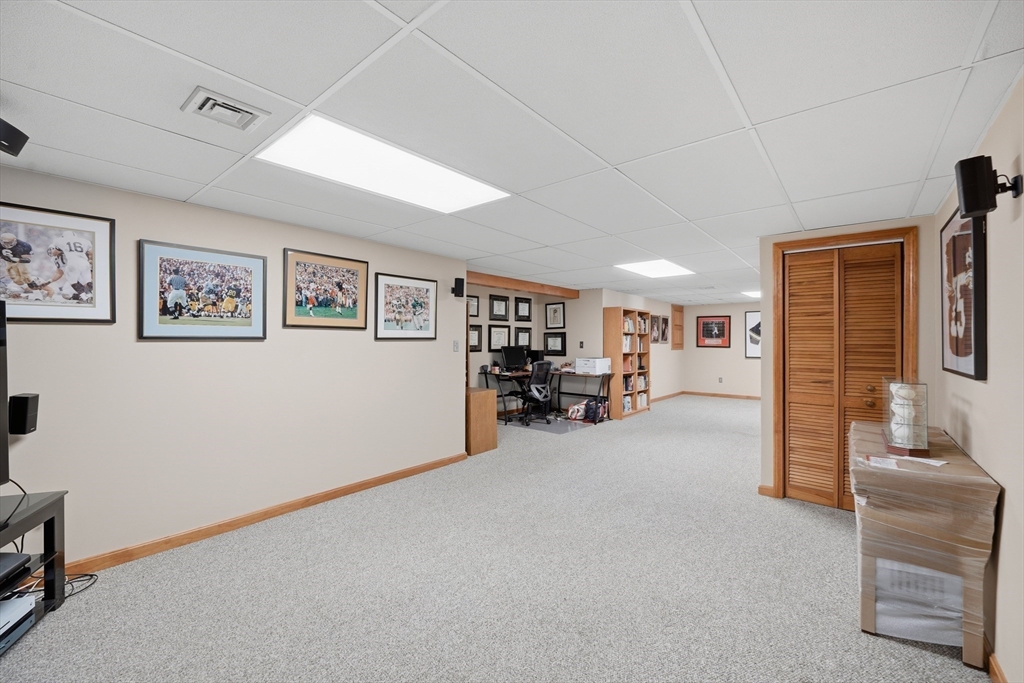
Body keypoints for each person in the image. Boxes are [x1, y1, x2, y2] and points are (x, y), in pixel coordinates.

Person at [1, 232, 34, 296]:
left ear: (14, 241)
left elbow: (28, 259)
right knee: (13, 276)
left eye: (9, 242)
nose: (7, 245)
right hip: (8, 261)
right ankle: (25, 288)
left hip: (20, 261)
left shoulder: (24, 245)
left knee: (25, 274)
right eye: (5, 242)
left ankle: (33, 288)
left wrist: (17, 259)